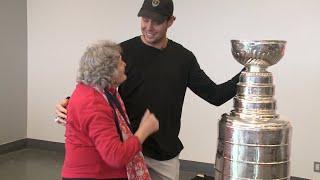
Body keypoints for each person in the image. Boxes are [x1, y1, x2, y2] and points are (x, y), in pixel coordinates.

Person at [56, 0, 243, 179]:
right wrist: (69, 103)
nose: (149, 27)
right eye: (145, 20)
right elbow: (94, 89)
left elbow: (215, 95)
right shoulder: (122, 52)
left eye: (158, 22)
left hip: (165, 153)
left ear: (171, 21)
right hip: (126, 151)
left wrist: (250, 71)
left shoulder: (183, 58)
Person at [61, 40, 159, 180]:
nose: (125, 64)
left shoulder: (94, 91)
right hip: (92, 174)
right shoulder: (93, 103)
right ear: (107, 71)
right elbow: (115, 156)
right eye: (120, 62)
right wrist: (144, 131)